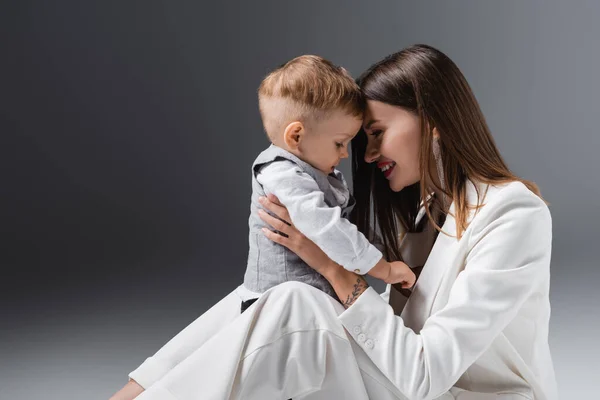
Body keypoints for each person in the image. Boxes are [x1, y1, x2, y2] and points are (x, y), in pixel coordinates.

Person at [110, 44, 557, 400]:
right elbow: (396, 342)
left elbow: (423, 374)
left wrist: (331, 268)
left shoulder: (512, 215)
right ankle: (137, 391)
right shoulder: (425, 214)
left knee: (296, 305)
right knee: (266, 298)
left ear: (434, 121)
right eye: (359, 140)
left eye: (377, 134)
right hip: (413, 387)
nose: (365, 155)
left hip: (453, 394)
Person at [239, 54, 415, 312]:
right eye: (339, 143)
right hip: (276, 307)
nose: (345, 154)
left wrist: (388, 252)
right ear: (296, 135)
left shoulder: (314, 174)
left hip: (306, 301)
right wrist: (384, 270)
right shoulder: (281, 173)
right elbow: (327, 228)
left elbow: (348, 227)